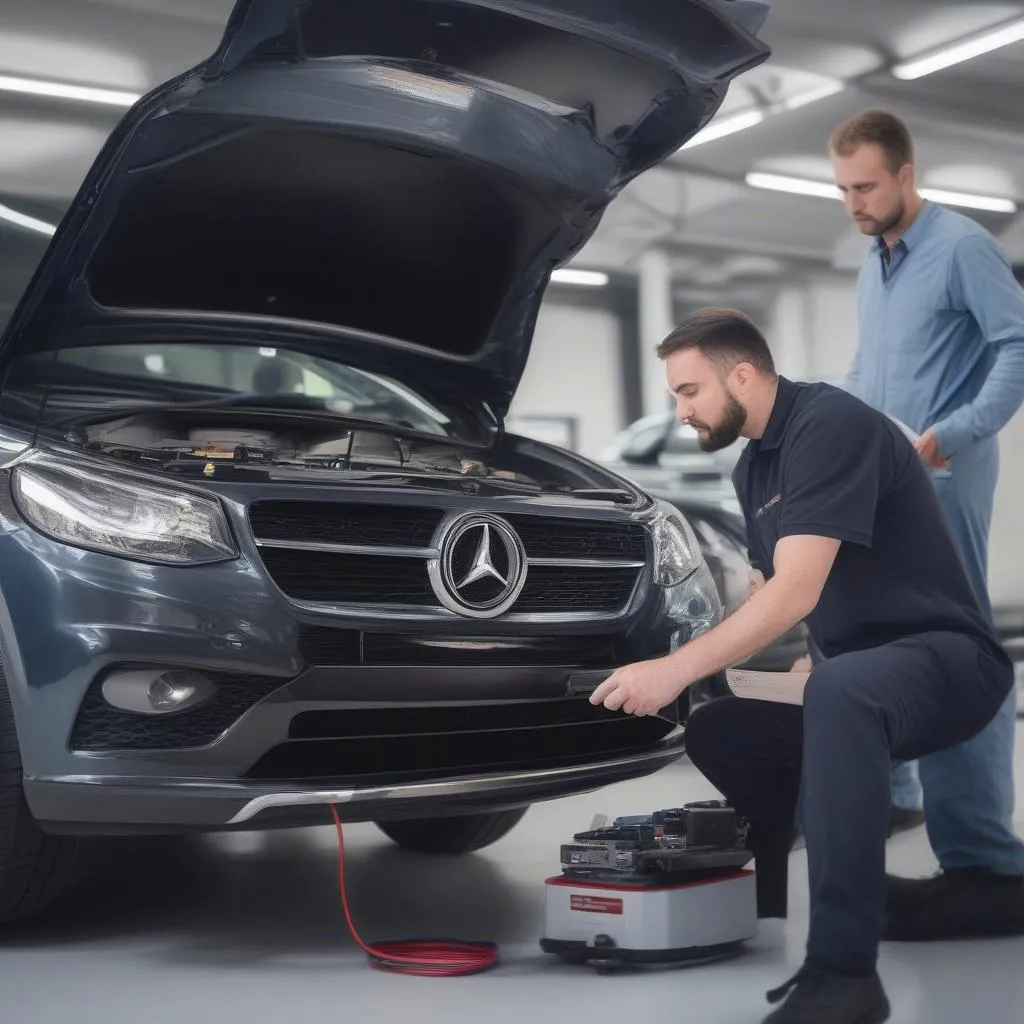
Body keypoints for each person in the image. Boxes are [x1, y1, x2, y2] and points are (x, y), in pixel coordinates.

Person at [589, 308, 1014, 1024]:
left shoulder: (831, 425)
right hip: (864, 678)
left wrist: (676, 670)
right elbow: (772, 589)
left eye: (689, 391)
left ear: (744, 374)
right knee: (723, 727)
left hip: (949, 663)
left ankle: (843, 976)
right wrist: (721, 667)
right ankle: (815, 888)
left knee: (840, 691)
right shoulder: (756, 465)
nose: (681, 410)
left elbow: (798, 590)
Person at [828, 109, 1024, 938]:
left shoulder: (962, 248)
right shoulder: (875, 264)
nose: (854, 203)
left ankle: (986, 861)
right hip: (882, 483)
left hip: (940, 479)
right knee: (881, 639)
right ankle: (903, 799)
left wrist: (953, 432)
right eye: (842, 190)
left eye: (866, 187)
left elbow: (1019, 344)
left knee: (955, 647)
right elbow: (869, 369)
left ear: (907, 174)